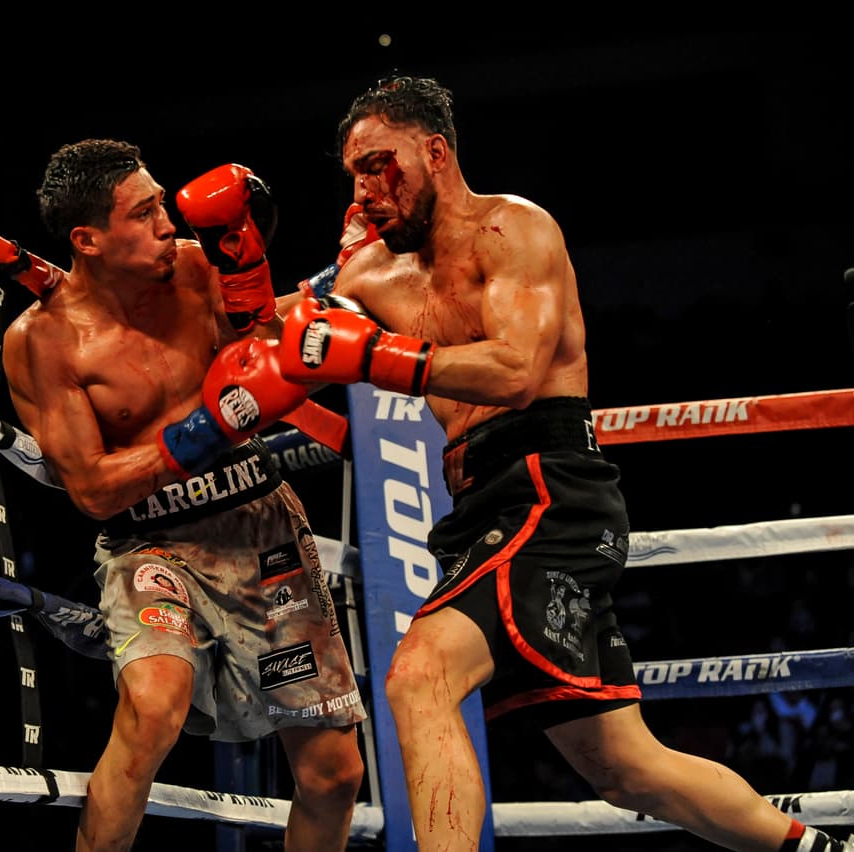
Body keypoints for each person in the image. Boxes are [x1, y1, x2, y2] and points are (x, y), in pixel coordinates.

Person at [275, 75, 851, 852]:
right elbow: (263, 342)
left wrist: (377, 355)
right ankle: (819, 847)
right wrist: (239, 273)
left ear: (435, 153)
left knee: (419, 676)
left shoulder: (514, 232)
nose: (364, 188)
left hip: (549, 488)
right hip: (477, 506)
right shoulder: (368, 275)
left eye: (380, 164)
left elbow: (515, 371)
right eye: (352, 173)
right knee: (626, 769)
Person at [1, 138, 366, 852]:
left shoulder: (197, 270)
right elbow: (93, 490)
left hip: (263, 535)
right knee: (152, 708)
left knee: (333, 775)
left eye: (163, 203)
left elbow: (266, 357)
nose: (170, 223)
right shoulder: (43, 342)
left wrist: (314, 287)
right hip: (152, 547)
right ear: (88, 239)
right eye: (145, 213)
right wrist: (203, 431)